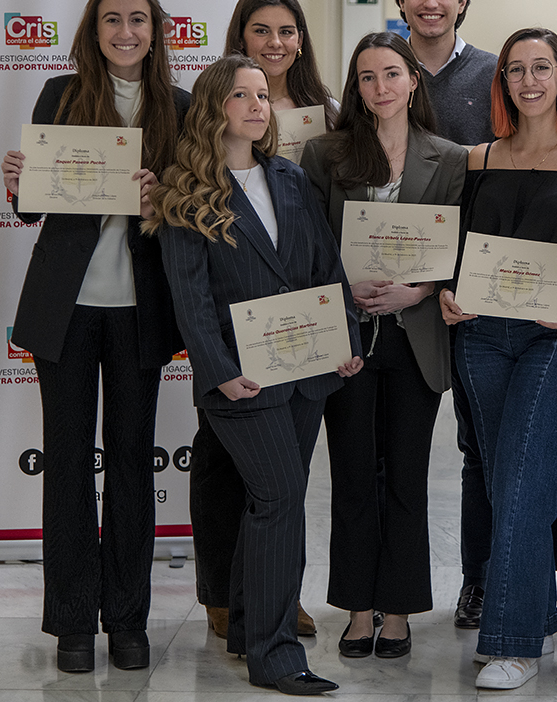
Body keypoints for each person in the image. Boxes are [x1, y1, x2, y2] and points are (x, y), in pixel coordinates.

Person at [148, 54, 363, 696]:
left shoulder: (290, 180)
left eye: (262, 96)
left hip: (304, 372)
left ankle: (246, 625)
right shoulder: (184, 192)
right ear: (214, 108)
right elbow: (189, 302)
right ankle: (274, 654)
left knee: (268, 500)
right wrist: (219, 373)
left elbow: (325, 267)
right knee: (277, 500)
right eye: (241, 96)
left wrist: (346, 339)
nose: (257, 105)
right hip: (240, 380)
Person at [0, 0, 189, 674]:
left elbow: (196, 207)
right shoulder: (62, 94)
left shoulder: (178, 104)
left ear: (155, 29)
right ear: (93, 29)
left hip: (142, 311)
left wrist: (161, 195)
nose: (125, 32)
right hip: (67, 310)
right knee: (70, 465)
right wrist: (18, 184)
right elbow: (32, 207)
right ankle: (74, 622)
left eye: (138, 19)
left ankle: (129, 619)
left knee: (135, 465)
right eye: (112, 20)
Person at [440, 27, 557, 689]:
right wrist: (448, 294)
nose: (529, 80)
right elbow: (453, 253)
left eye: (542, 67)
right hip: (481, 337)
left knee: (523, 483)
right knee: (499, 479)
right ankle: (537, 610)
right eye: (516, 69)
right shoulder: (477, 160)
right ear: (503, 82)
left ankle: (511, 644)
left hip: (556, 338)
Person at [300, 33, 467, 659]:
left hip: (415, 337)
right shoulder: (326, 153)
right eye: (368, 78)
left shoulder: (449, 157)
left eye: (392, 74)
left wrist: (419, 291)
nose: (381, 87)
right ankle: (358, 608)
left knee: (406, 474)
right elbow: (311, 243)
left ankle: (397, 608)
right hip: (349, 337)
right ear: (356, 87)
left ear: (413, 80)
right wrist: (345, 287)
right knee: (350, 473)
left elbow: (460, 246)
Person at [191, 0, 341, 642]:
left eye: (286, 30)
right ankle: (227, 598)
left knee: (284, 481)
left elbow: (320, 238)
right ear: (241, 38)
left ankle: (271, 600)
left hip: (302, 328)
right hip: (235, 331)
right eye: (261, 30)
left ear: (301, 40)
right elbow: (190, 286)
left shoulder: (328, 116)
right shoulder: (205, 138)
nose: (274, 42)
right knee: (229, 474)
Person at [392, 0, 499, 628]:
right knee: (393, 450)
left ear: (462, 0)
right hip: (397, 293)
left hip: (478, 290)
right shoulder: (379, 68)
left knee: (478, 442)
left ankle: (481, 580)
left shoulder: (494, 76)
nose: (431, 3)